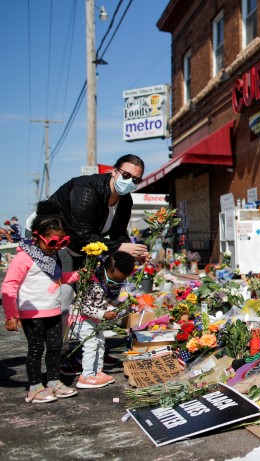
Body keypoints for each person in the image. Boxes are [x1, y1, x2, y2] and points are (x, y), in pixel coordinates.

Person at [2, 202, 77, 403]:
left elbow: (58, 278)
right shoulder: (23, 257)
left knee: (55, 348)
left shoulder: (53, 257)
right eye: (53, 243)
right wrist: (11, 314)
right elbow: (9, 286)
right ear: (36, 237)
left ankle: (53, 381)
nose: (57, 248)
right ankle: (34, 388)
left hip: (53, 310)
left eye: (63, 243)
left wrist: (76, 276)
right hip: (32, 314)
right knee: (36, 350)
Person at [44, 154, 150, 272]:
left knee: (89, 288)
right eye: (126, 175)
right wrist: (120, 247)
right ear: (114, 172)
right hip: (53, 241)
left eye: (136, 180)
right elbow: (81, 235)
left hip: (82, 249)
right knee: (64, 289)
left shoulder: (125, 200)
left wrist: (135, 252)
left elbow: (119, 234)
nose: (130, 181)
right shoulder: (87, 190)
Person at [69, 251, 135, 389]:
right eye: (112, 281)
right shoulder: (91, 282)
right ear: (107, 270)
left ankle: (97, 371)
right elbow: (84, 306)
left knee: (100, 343)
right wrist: (103, 314)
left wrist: (119, 304)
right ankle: (86, 375)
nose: (114, 284)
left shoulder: (108, 284)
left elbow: (107, 299)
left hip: (95, 320)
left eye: (119, 282)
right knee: (91, 345)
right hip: (83, 319)